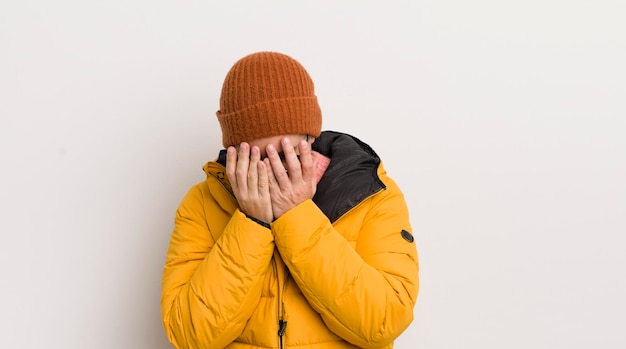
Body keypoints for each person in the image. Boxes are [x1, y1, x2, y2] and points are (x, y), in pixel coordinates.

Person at [160, 51, 419, 349]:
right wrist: (251, 223)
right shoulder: (201, 203)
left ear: (311, 138)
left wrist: (296, 215)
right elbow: (189, 336)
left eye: (288, 154)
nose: (277, 171)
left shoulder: (371, 194)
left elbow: (384, 323)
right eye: (257, 158)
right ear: (234, 153)